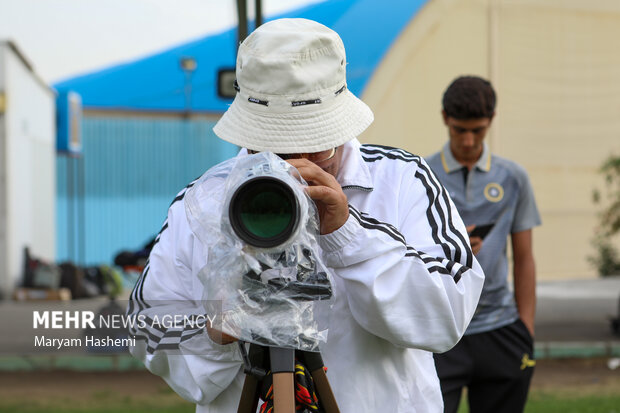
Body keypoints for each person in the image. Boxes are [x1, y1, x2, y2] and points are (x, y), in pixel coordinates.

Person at [127, 19, 484, 413]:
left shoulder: (401, 179)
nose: (296, 164)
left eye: (313, 145)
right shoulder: (204, 201)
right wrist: (216, 330)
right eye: (276, 147)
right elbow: (150, 329)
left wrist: (346, 233)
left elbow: (449, 313)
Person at [426, 76, 541, 413]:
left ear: (491, 120)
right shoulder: (422, 173)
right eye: (459, 129)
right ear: (445, 117)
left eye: (477, 130)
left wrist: (526, 330)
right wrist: (452, 247)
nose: (467, 139)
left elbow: (524, 258)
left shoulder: (513, 177)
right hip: (440, 328)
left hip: (500, 328)